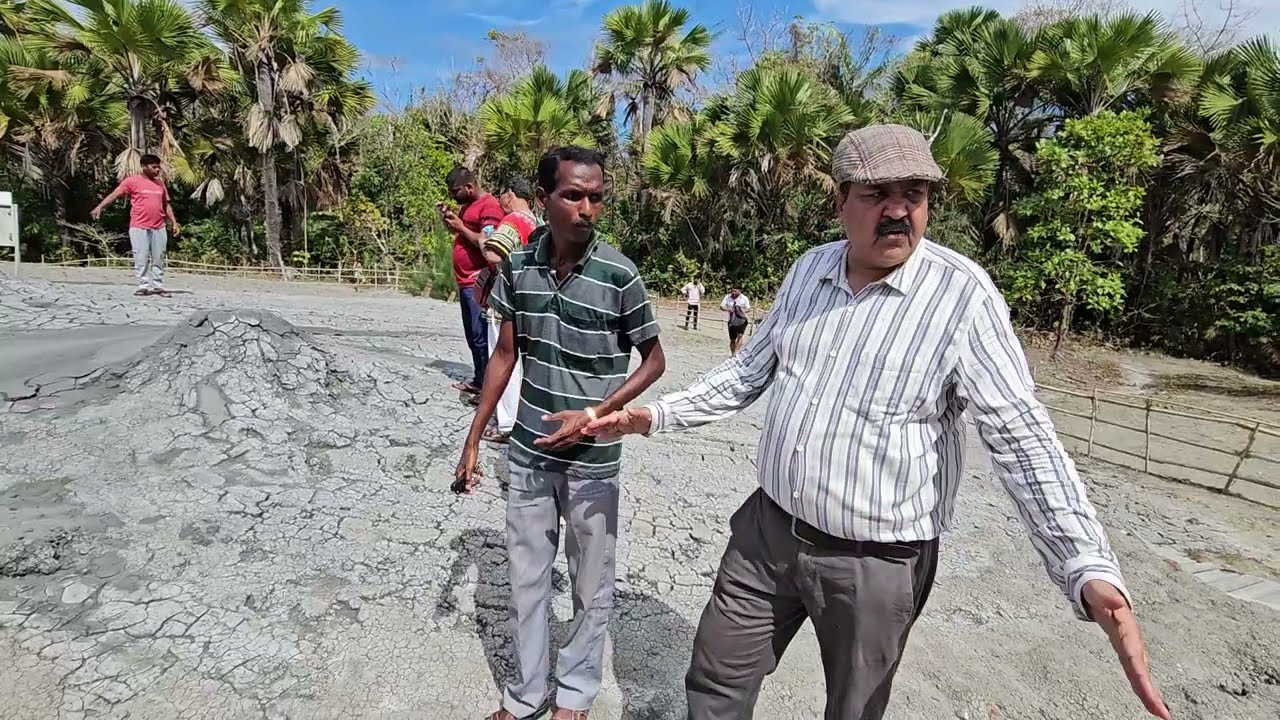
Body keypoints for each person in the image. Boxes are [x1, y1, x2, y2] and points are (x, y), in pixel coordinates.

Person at [584, 124, 1170, 720]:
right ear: (840, 200)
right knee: (715, 677)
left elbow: (1021, 438)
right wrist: (651, 415)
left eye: (914, 192)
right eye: (876, 193)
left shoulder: (962, 297)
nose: (898, 210)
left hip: (878, 563)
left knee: (856, 708)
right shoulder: (810, 271)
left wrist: (1086, 564)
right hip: (767, 535)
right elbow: (746, 375)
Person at [454, 145, 667, 720]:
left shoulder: (619, 274)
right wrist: (475, 437)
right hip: (526, 452)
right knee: (526, 578)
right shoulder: (517, 268)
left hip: (594, 460)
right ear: (545, 198)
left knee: (589, 583)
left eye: (597, 197)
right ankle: (524, 696)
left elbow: (654, 361)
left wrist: (598, 416)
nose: (587, 208)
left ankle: (573, 698)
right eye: (573, 195)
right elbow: (503, 355)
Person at [474, 177, 541, 443]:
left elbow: (494, 255)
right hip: (527, 299)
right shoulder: (536, 222)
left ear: (510, 195)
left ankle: (506, 423)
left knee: (503, 360)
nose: (500, 200)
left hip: (506, 300)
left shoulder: (513, 221)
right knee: (520, 363)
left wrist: (482, 240)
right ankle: (517, 418)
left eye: (502, 194)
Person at [441, 166, 504, 396]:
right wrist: (452, 223)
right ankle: (479, 380)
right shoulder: (467, 206)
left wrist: (461, 227)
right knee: (472, 335)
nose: (452, 196)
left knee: (480, 336)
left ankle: (488, 388)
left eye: (455, 191)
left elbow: (487, 243)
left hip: (477, 280)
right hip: (464, 280)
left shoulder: (489, 206)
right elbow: (465, 235)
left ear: (469, 186)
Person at [91, 154, 181, 296]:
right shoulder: (132, 181)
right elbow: (114, 194)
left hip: (159, 226)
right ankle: (143, 285)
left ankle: (158, 286)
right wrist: (99, 207)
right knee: (141, 256)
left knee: (159, 256)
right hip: (139, 226)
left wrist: (174, 223)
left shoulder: (160, 184)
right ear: (144, 167)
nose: (157, 170)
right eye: (153, 167)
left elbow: (166, 205)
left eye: (158, 167)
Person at [721, 288, 750, 355]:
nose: (733, 292)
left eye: (735, 291)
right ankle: (733, 353)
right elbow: (721, 307)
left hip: (741, 320)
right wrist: (728, 309)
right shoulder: (728, 297)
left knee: (740, 335)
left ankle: (736, 352)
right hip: (732, 320)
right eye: (732, 291)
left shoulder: (744, 298)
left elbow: (748, 308)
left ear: (739, 291)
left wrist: (741, 311)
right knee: (732, 339)